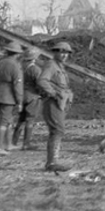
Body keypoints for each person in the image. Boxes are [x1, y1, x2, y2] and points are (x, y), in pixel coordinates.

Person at [38, 41, 75, 172]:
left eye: (66, 53)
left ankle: (53, 161)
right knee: (57, 130)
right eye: (61, 52)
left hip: (60, 102)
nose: (64, 55)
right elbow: (42, 81)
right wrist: (53, 93)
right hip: (52, 102)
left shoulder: (60, 67)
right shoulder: (51, 65)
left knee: (58, 130)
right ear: (55, 52)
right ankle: (52, 162)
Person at [0, 41, 25, 156]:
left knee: (5, 120)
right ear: (17, 54)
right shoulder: (15, 65)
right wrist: (19, 101)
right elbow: (17, 85)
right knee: (5, 121)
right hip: (8, 95)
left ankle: (8, 144)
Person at [13, 48, 43, 150]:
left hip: (22, 95)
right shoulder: (35, 69)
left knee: (21, 119)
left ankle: (14, 141)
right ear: (35, 58)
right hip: (33, 96)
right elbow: (40, 84)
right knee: (30, 120)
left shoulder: (20, 68)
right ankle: (26, 143)